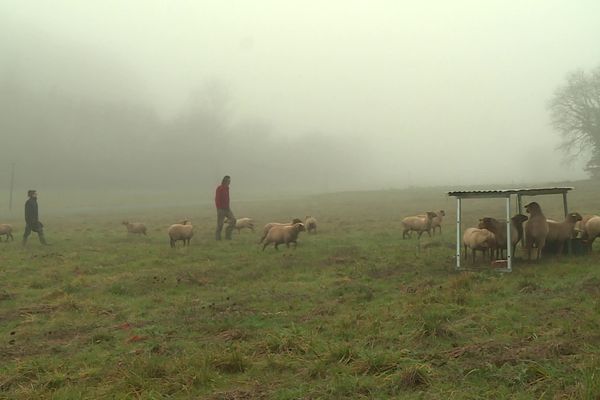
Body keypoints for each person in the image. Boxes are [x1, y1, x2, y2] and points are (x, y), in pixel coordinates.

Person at [215, 175, 236, 240]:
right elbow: (217, 199)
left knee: (233, 220)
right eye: (229, 180)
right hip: (221, 209)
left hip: (227, 209)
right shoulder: (219, 188)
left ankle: (228, 235)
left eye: (230, 180)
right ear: (225, 181)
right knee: (220, 225)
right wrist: (219, 208)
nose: (229, 182)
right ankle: (218, 238)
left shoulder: (227, 188)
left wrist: (228, 207)